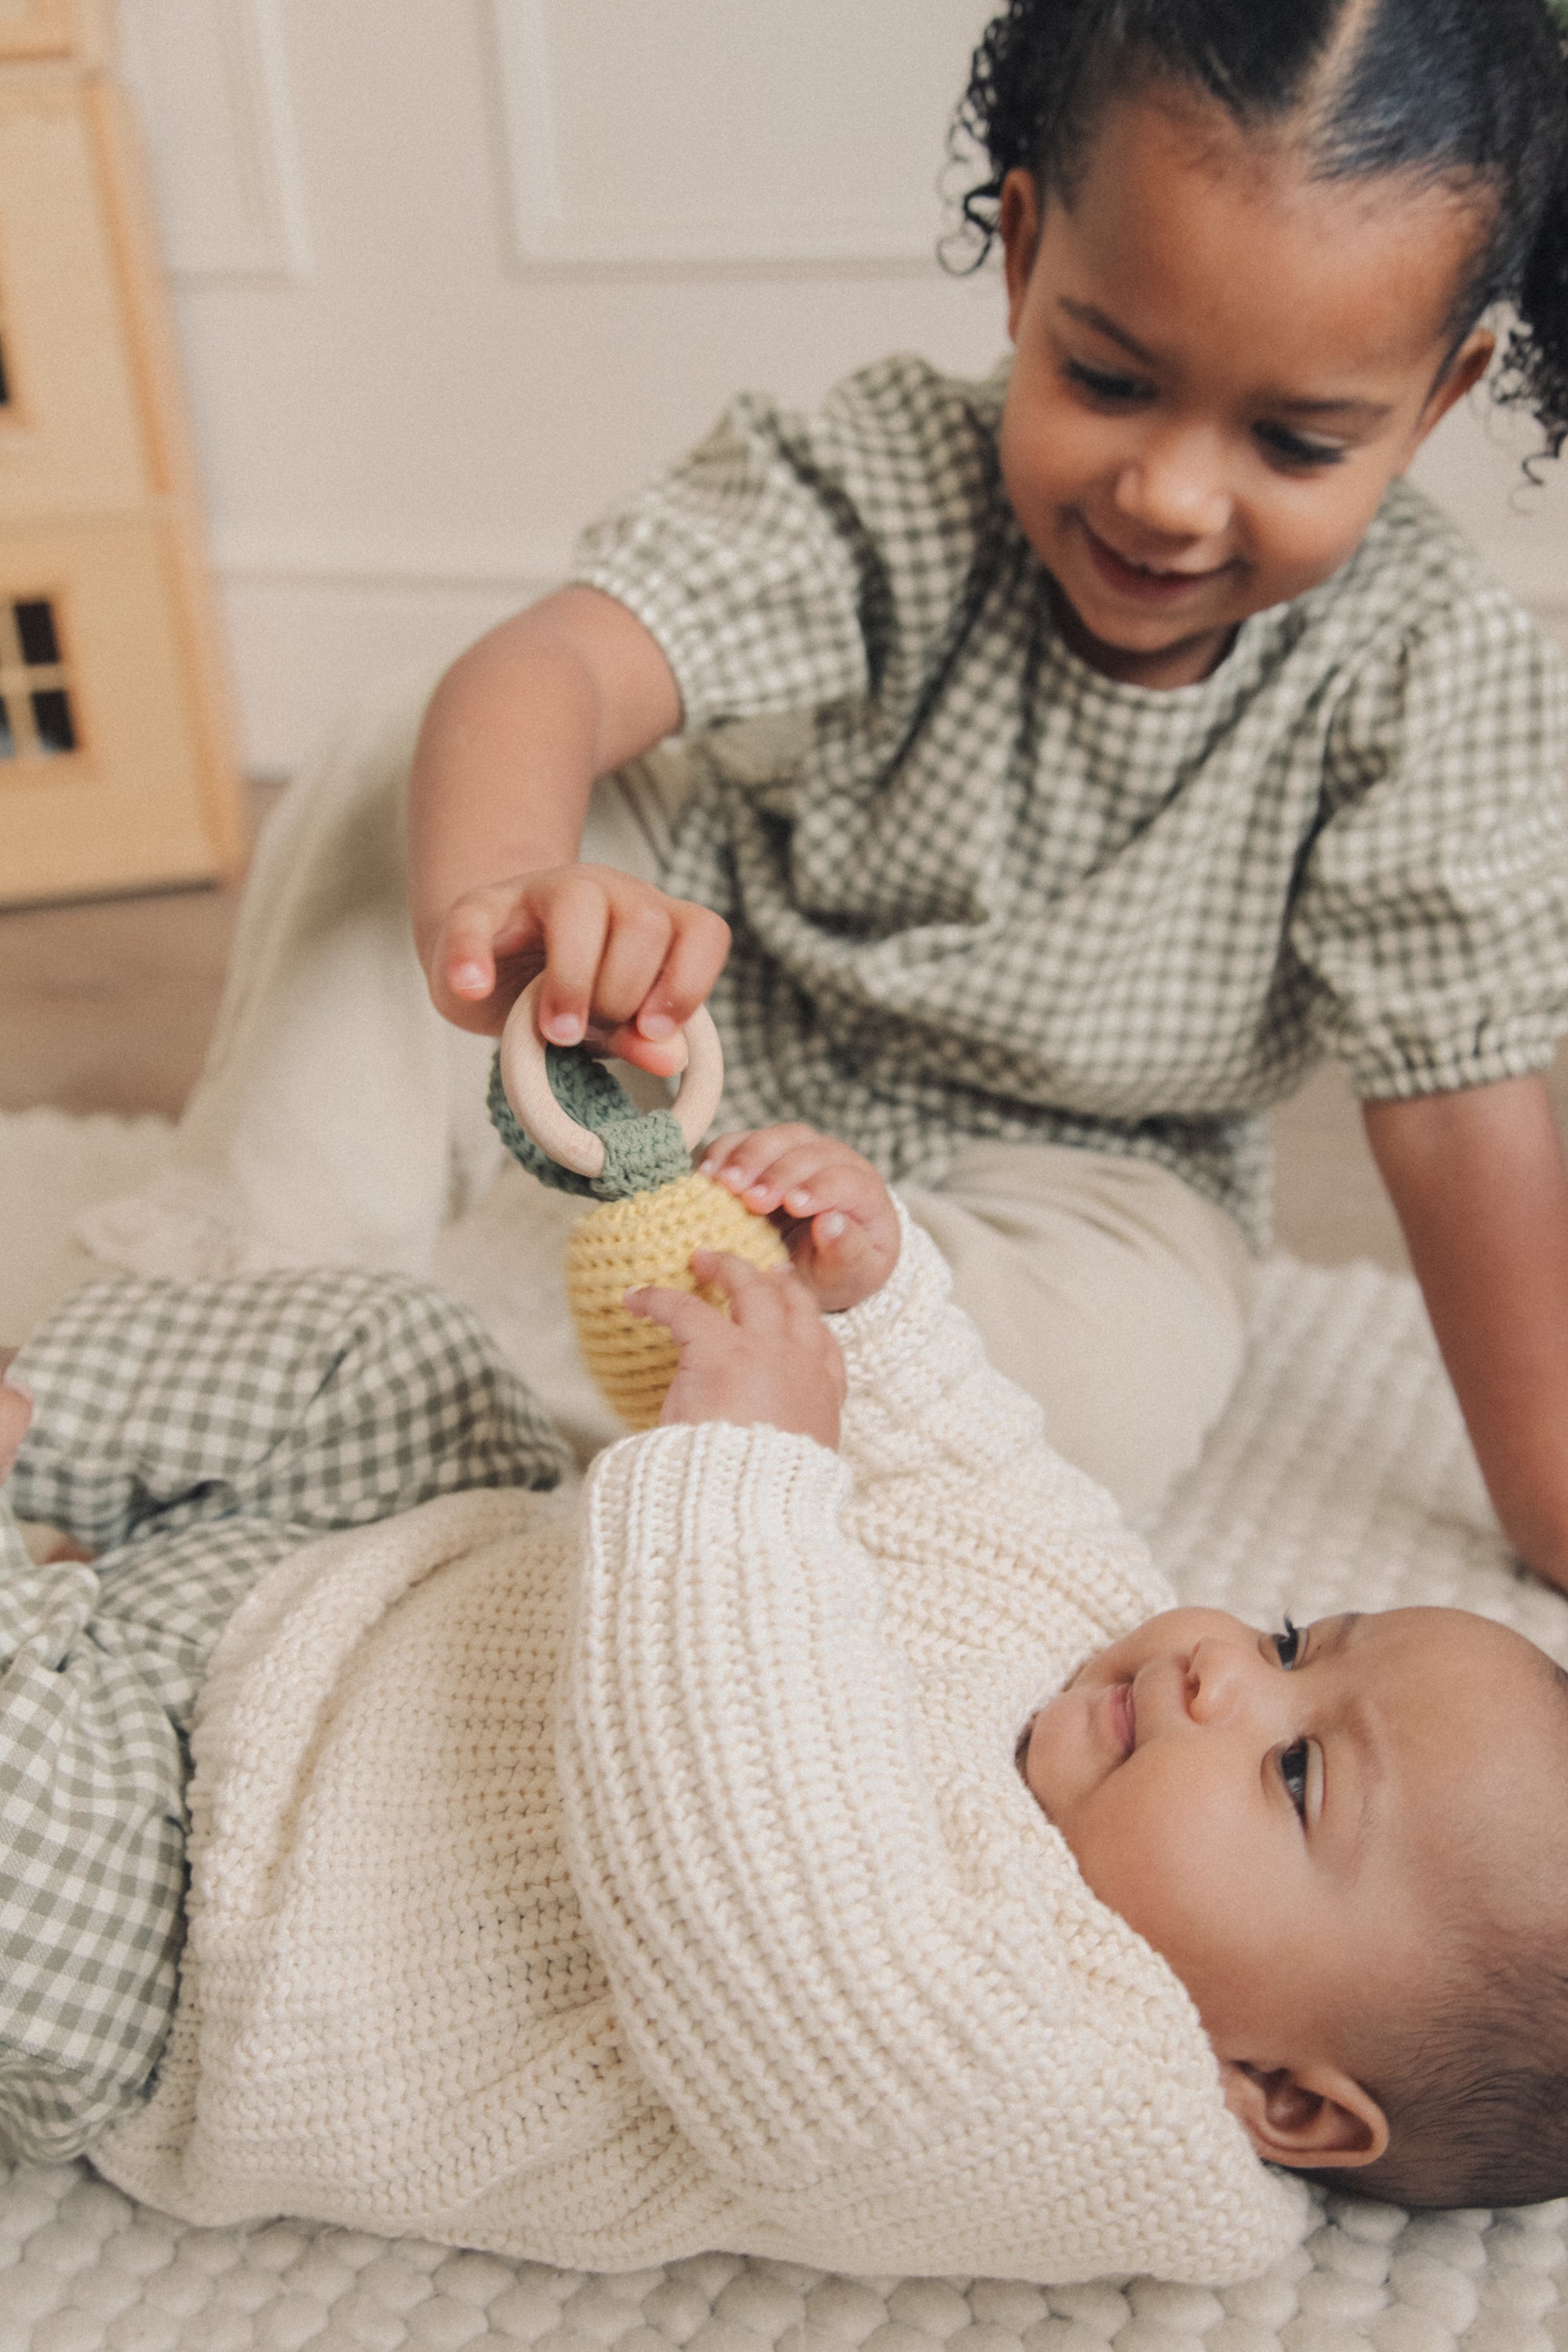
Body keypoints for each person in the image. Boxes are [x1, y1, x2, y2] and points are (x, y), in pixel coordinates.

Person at [408, 0, 1568, 1563]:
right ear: (1024, 255)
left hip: (1087, 1164)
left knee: (1109, 1383)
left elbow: (1456, 1117)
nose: (1166, 496)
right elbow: (546, 669)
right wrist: (508, 910)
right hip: (713, 1020)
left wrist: (1552, 1496)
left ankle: (630, 1372)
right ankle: (265, 1268)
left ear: (1435, 398)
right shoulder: (894, 477)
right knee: (396, 780)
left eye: (1292, 443)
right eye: (1106, 379)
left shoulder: (1429, 667)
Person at [5, 1130, 1568, 2280]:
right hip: (349, 1593)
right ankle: (38, 1416)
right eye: (1301, 1637)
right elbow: (982, 1474)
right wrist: (874, 1312)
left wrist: (750, 1473)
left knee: (29, 1919)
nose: (1228, 1671)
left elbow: (750, 1881)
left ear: (1280, 2095)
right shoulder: (1111, 1672)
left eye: (1293, 1774)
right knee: (396, 1355)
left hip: (196, 1926)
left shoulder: (1069, 2102)